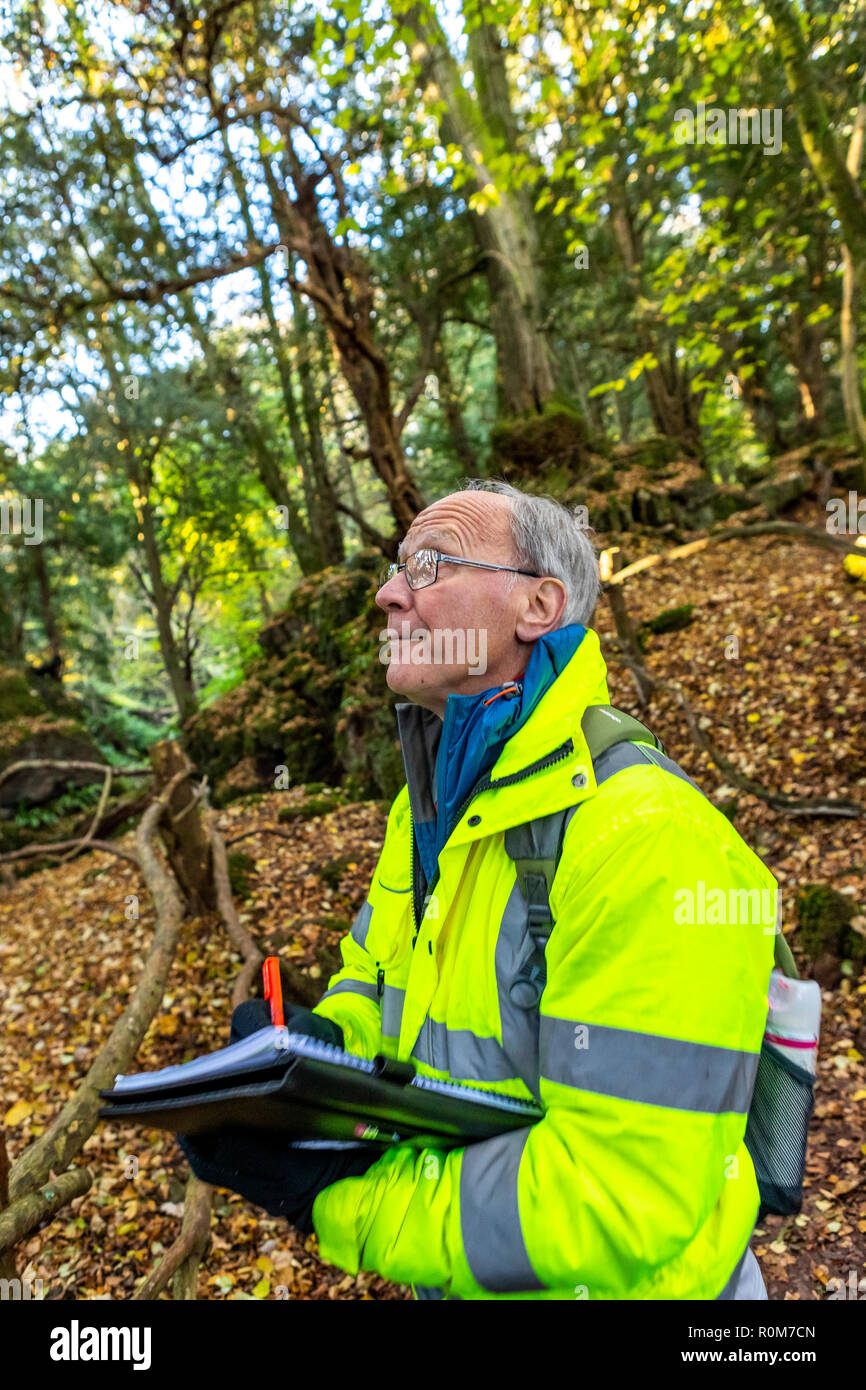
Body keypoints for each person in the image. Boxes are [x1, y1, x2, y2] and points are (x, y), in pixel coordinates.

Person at [181, 478, 773, 1300]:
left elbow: (612, 1202)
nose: (388, 593)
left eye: (429, 565)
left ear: (538, 605)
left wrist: (334, 1198)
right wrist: (311, 1056)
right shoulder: (423, 814)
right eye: (396, 567)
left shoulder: (650, 837)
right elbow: (376, 978)